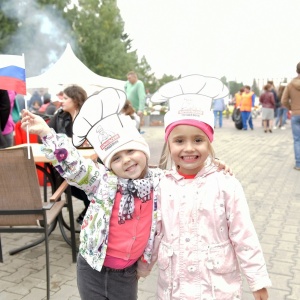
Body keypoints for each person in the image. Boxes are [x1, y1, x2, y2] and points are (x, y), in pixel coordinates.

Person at [21, 86, 230, 300]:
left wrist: (211, 167)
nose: (127, 160)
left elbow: (187, 176)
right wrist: (47, 133)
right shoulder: (102, 181)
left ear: (143, 150)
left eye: (130, 151)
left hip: (128, 273)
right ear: (109, 165)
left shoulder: (161, 182)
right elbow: (74, 166)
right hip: (91, 268)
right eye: (117, 158)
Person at [147, 75, 271, 299]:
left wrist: (257, 280)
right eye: (179, 141)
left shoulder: (225, 184)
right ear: (169, 143)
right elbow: (154, 234)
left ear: (209, 141)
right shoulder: (161, 185)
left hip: (217, 290)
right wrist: (139, 270)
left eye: (197, 140)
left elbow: (244, 235)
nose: (188, 148)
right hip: (174, 290)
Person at [47, 85, 90, 224]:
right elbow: (46, 139)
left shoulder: (90, 117)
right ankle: (90, 211)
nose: (62, 101)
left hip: (89, 163)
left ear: (76, 100)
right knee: (77, 184)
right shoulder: (58, 117)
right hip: (66, 168)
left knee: (89, 182)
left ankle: (90, 211)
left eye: (65, 98)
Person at [281, 62, 300, 171]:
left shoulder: (290, 84)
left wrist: (291, 108)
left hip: (296, 114)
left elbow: (283, 100)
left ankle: (298, 164)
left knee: (297, 140)